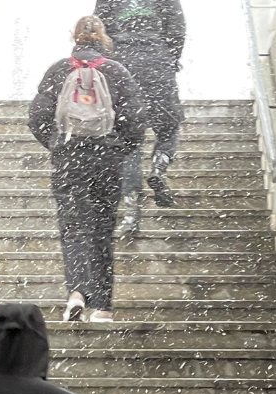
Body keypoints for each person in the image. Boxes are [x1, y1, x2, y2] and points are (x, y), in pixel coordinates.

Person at [29, 16, 146, 323]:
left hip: (69, 159)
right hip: (106, 159)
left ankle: (77, 293)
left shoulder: (59, 70)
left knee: (73, 229)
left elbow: (37, 116)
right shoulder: (116, 71)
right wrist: (118, 148)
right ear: (102, 38)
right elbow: (136, 122)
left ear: (75, 38)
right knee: (102, 232)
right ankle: (103, 307)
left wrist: (57, 143)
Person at [96, 0, 187, 230]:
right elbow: (177, 29)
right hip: (157, 62)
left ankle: (131, 206)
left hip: (123, 64)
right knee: (168, 125)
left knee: (129, 137)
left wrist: (110, 62)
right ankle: (158, 167)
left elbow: (99, 28)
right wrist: (169, 57)